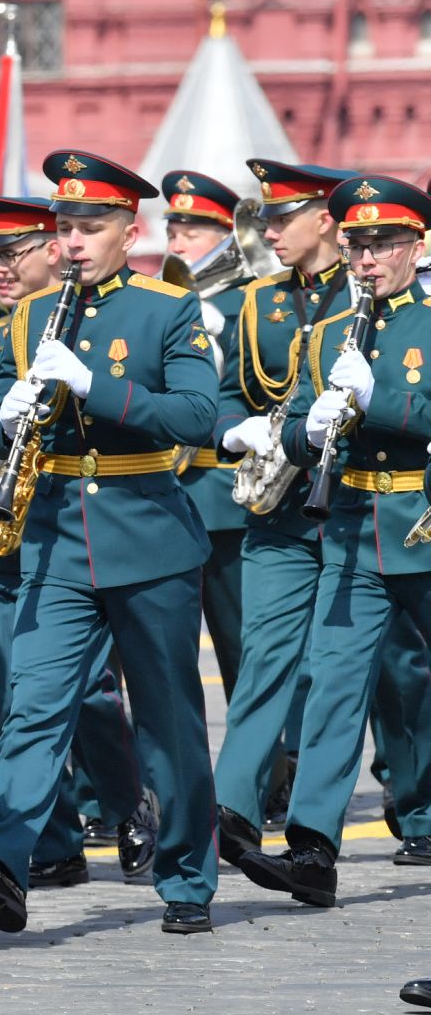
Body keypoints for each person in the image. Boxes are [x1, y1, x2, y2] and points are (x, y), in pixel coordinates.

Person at [0, 149, 219, 936]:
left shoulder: (167, 309)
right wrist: (4, 423)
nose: (72, 242)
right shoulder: (28, 317)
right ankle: (3, 860)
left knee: (167, 719)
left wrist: (96, 387)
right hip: (57, 538)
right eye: (64, 227)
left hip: (149, 537)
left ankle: (188, 878)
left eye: (89, 227)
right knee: (34, 705)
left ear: (129, 231)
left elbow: (197, 418)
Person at [235, 175, 431, 908]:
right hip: (351, 529)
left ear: (417, 245)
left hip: (422, 521)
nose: (369, 259)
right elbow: (289, 427)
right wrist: (306, 428)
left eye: (384, 244)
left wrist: (384, 402)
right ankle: (314, 849)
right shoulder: (327, 335)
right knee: (333, 688)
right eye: (358, 245)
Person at [207, 160, 363, 863]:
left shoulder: (370, 297)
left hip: (359, 503)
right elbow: (232, 393)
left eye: (281, 218)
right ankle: (234, 808)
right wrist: (234, 429)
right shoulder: (256, 302)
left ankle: (387, 809)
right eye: (265, 219)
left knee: (352, 671)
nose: (267, 232)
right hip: (281, 506)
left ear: (324, 220)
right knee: (265, 652)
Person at [161, 170, 252, 697]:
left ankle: (269, 771)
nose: (178, 241)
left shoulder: (250, 302)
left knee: (239, 640)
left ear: (224, 236)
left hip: (221, 490)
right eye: (174, 230)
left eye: (193, 232)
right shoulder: (165, 299)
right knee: (164, 649)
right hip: (169, 493)